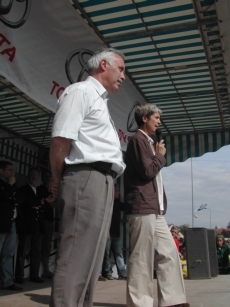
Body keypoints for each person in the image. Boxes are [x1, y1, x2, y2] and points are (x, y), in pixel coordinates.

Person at [48, 47, 126, 307]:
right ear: (104, 65)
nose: (123, 76)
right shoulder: (81, 91)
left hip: (103, 180)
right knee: (76, 255)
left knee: (92, 259)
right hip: (85, 178)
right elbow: (60, 141)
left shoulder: (99, 100)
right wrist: (57, 179)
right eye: (121, 69)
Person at [124, 103, 189, 307]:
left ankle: (172, 301)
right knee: (141, 258)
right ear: (144, 118)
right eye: (156, 117)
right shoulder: (137, 140)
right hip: (142, 207)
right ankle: (139, 303)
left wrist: (157, 153)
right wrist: (160, 155)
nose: (159, 121)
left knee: (169, 252)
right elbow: (147, 171)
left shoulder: (150, 142)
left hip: (155, 208)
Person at [15, 167, 46, 284]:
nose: (35, 176)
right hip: (26, 225)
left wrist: (38, 205)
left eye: (36, 175)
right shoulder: (23, 189)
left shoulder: (41, 190)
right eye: (33, 174)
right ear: (29, 176)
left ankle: (34, 275)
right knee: (22, 251)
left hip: (38, 225)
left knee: (36, 251)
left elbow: (46, 204)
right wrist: (39, 203)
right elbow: (25, 203)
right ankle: (19, 276)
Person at [0, 161, 24, 291]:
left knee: (8, 254)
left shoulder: (12, 186)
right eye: (9, 170)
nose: (11, 173)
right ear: (1, 171)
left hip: (12, 223)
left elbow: (20, 197)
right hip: (2, 223)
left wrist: (11, 191)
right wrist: (9, 188)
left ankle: (7, 281)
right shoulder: (4, 185)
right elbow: (5, 197)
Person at [102, 184, 127, 280]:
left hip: (116, 233)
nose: (118, 193)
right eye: (117, 190)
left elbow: (126, 207)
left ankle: (122, 273)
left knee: (118, 254)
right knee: (106, 254)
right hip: (107, 233)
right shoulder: (105, 202)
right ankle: (107, 272)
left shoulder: (118, 203)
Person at [37, 169, 54, 278]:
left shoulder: (53, 191)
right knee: (38, 246)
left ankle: (46, 270)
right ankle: (36, 272)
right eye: (45, 176)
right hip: (40, 221)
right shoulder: (38, 190)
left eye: (49, 177)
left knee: (47, 246)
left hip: (49, 220)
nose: (47, 179)